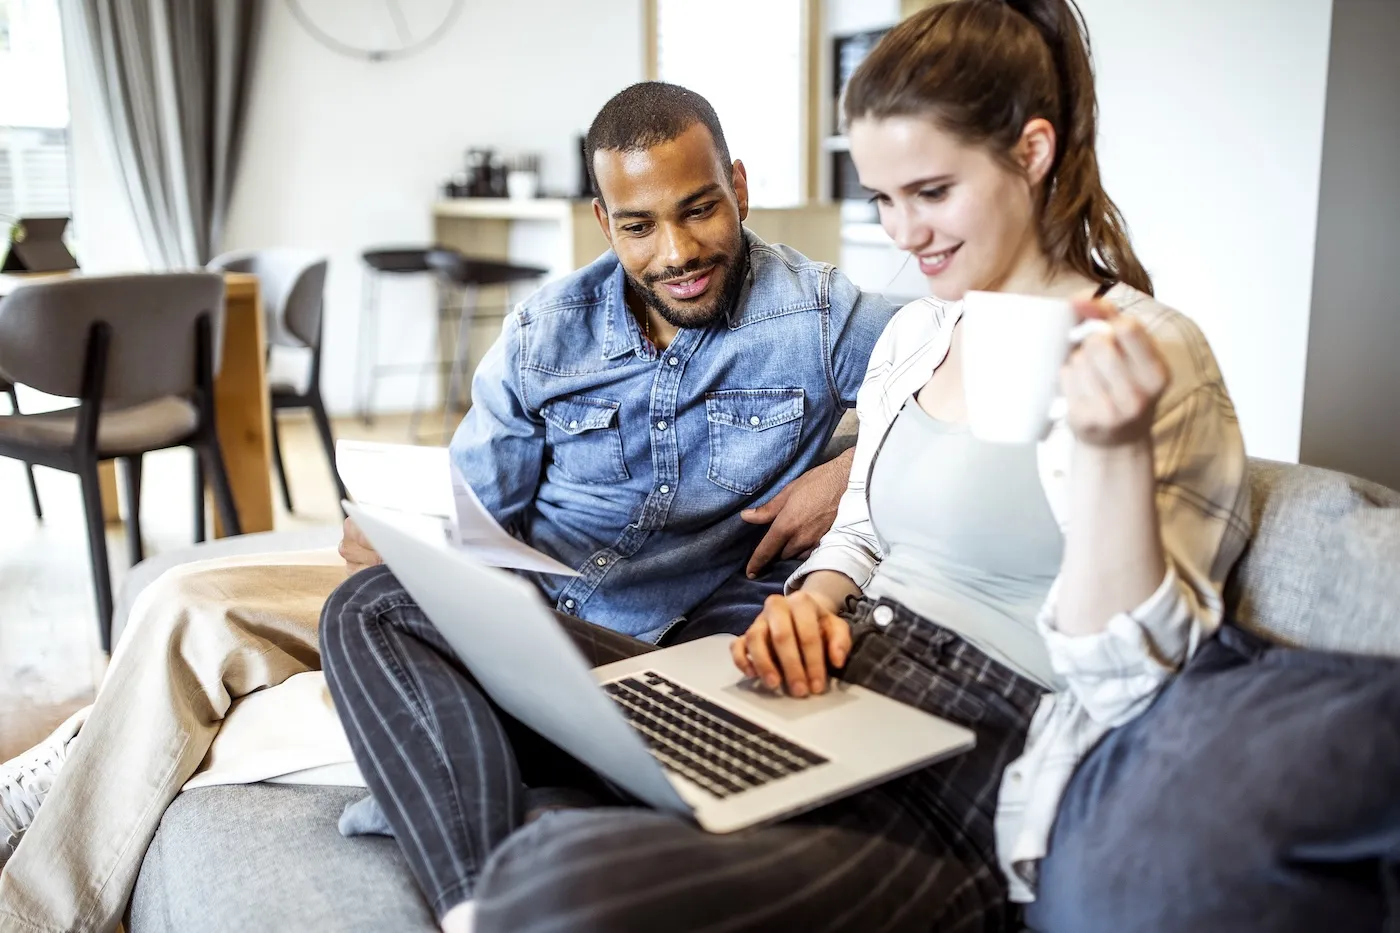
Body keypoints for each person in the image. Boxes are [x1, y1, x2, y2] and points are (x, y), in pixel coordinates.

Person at [319, 3, 1249, 932]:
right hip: (824, 690)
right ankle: (472, 902)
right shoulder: (923, 333)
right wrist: (815, 594)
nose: (904, 235)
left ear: (1032, 153)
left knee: (564, 878)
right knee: (375, 605)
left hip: (965, 769)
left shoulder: (1154, 356)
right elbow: (873, 530)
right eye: (883, 200)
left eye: (929, 192)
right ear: (603, 223)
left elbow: (1139, 682)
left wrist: (1114, 456)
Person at [0, 84, 895, 933]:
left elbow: (958, 364)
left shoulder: (814, 315)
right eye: (639, 225)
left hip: (620, 631)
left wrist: (844, 470)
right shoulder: (549, 330)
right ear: (602, 222)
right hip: (502, 590)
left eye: (700, 208)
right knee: (187, 597)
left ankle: (78, 767)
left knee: (252, 630)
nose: (677, 252)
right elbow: (476, 506)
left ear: (738, 188)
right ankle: (42, 867)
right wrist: (402, 526)